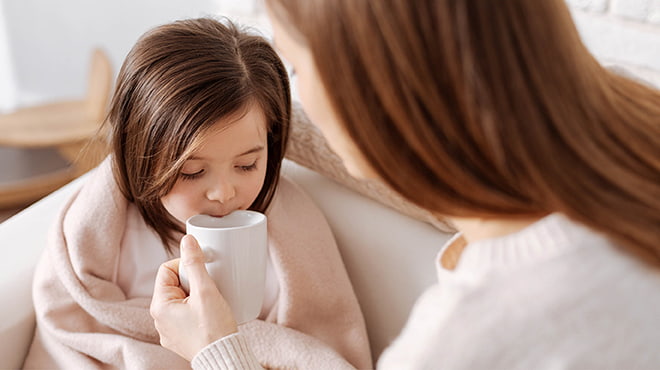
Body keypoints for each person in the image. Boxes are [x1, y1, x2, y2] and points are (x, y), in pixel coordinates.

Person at [150, 0, 660, 369]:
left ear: (370, 88)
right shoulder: (637, 129)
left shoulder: (465, 339)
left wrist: (215, 353)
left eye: (296, 66)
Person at [23, 17, 371, 369]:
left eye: (247, 165)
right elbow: (72, 338)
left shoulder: (294, 237)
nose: (223, 192)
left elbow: (320, 349)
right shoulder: (99, 239)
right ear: (139, 155)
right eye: (192, 172)